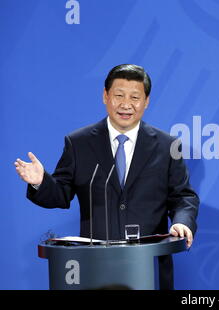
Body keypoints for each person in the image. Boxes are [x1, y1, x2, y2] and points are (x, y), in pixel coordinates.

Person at [14, 64, 199, 290]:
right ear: (105, 96)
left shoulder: (168, 146)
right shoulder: (79, 143)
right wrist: (40, 182)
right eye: (118, 95)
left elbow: (183, 197)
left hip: (148, 267)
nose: (126, 104)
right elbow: (60, 195)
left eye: (135, 97)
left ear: (146, 101)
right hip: (94, 268)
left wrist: (182, 222)